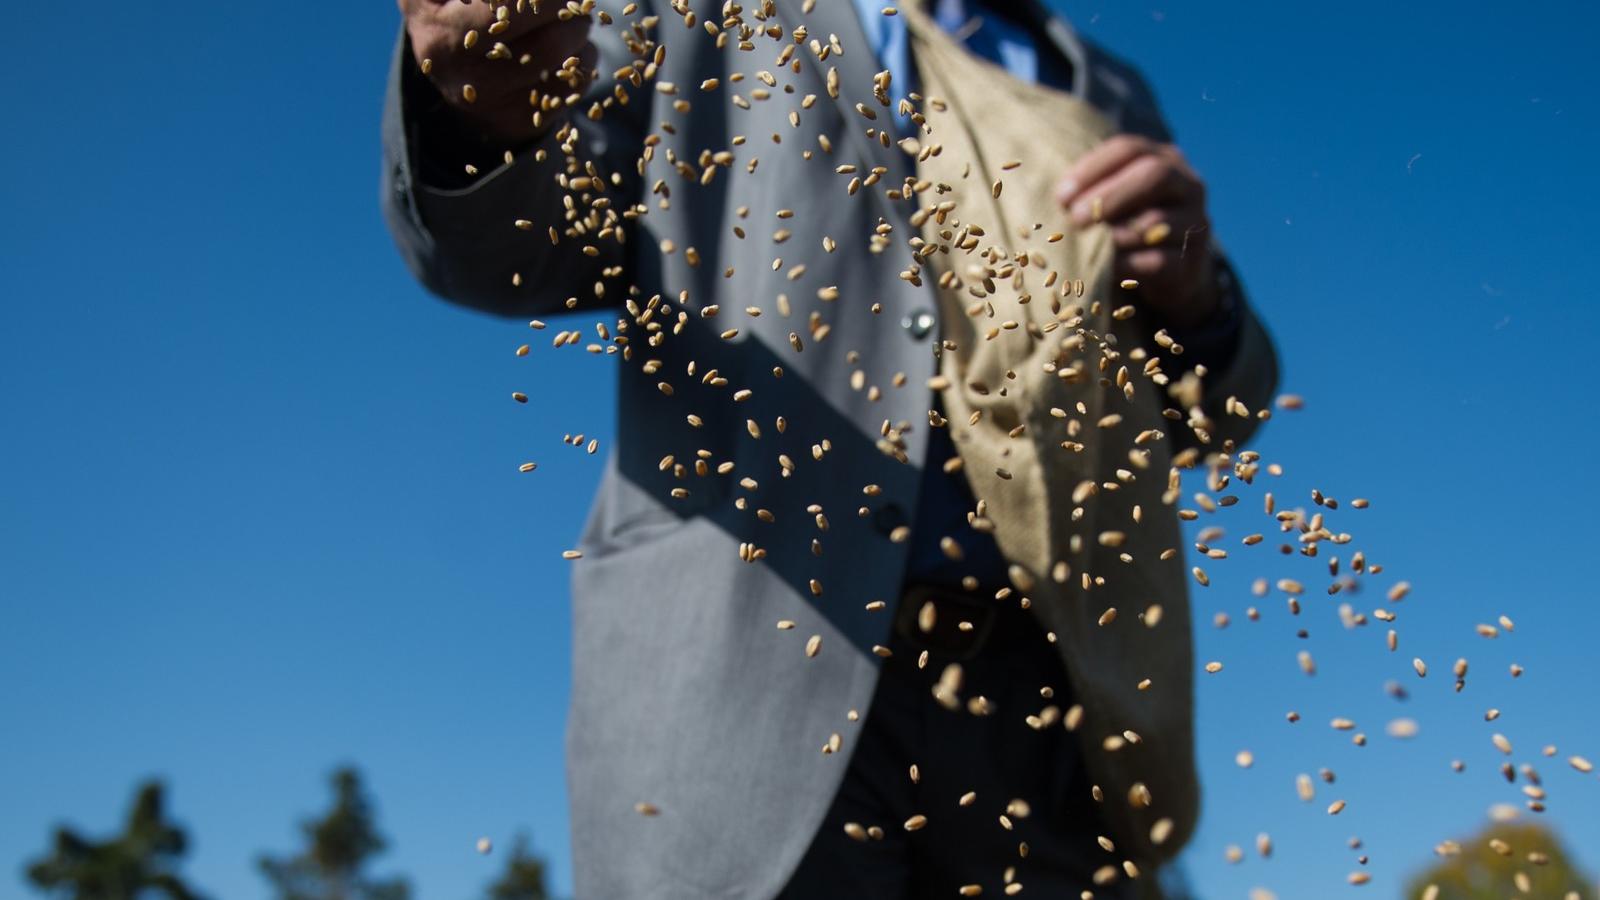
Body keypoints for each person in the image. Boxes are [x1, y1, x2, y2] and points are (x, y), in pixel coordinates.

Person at [382, 0, 1278, 896]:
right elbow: (517, 247)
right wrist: (479, 111)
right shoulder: (693, 15)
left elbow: (1196, 417)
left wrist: (1198, 301)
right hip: (752, 645)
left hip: (1048, 699)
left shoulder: (1101, 84)